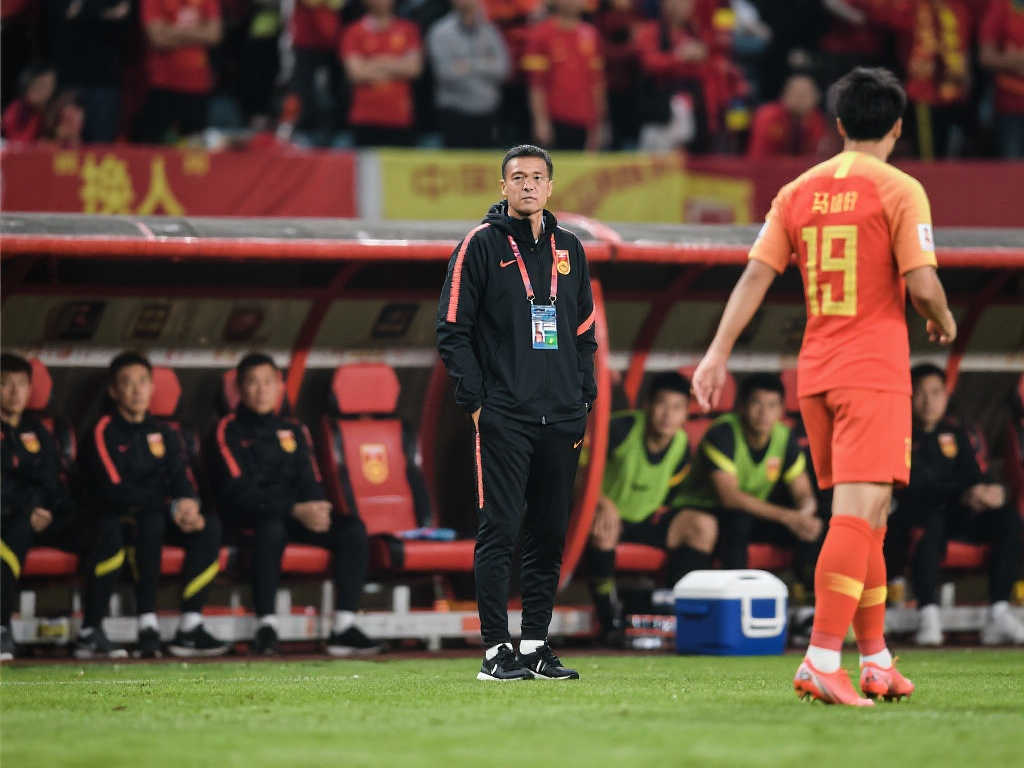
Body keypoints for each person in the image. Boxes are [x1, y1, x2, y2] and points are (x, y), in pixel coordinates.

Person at [691, 67, 957, 706]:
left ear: (838, 124)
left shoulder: (797, 191)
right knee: (855, 518)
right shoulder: (901, 188)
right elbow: (922, 284)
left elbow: (755, 277)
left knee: (870, 518)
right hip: (872, 373)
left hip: (816, 374)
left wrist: (717, 353)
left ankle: (876, 659)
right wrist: (944, 318)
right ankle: (820, 658)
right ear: (897, 127)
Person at [436, 144, 597, 681]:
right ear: (503, 186)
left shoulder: (570, 247)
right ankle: (493, 651)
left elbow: (584, 330)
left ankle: (534, 645)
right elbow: (452, 329)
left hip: (563, 416)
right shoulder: (479, 245)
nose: (528, 185)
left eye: (537, 177)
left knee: (548, 533)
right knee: (500, 529)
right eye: (518, 177)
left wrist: (584, 396)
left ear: (550, 186)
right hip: (504, 415)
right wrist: (476, 403)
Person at [212, 353, 377, 657]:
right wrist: (292, 509)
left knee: (352, 529)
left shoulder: (295, 430)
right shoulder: (228, 429)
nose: (261, 390)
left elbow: (310, 477)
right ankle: (266, 626)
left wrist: (317, 509)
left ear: (279, 387)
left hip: (297, 517)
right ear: (240, 389)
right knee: (271, 528)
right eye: (253, 383)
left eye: (268, 382)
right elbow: (239, 491)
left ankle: (344, 626)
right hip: (251, 519)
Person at [77, 352, 227, 659]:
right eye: (127, 383)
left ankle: (190, 626)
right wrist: (169, 506)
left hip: (161, 512)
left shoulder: (165, 432)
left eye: (143, 382)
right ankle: (147, 623)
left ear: (152, 387)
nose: (137, 390)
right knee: (150, 521)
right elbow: (114, 489)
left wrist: (188, 505)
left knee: (209, 527)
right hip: (121, 517)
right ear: (113, 391)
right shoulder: (103, 430)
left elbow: (180, 475)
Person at [888, 364, 1023, 646]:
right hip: (917, 516)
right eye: (921, 393)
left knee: (1008, 519)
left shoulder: (956, 433)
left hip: (960, 515)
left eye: (936, 392)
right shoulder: (899, 435)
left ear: (945, 396)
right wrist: (964, 493)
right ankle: (928, 612)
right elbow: (915, 486)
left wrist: (991, 491)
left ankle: (998, 611)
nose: (928, 401)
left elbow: (973, 474)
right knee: (931, 521)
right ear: (908, 397)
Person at [669, 373, 821, 582]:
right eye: (757, 403)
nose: (764, 413)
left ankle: (807, 590)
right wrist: (789, 517)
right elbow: (730, 498)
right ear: (741, 406)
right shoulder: (723, 433)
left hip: (757, 513)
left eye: (772, 405)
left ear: (781, 410)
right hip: (708, 510)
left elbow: (803, 491)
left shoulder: (784, 437)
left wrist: (805, 513)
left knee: (818, 522)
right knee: (738, 520)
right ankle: (737, 590)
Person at [587, 372, 692, 644]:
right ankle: (609, 620)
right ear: (647, 404)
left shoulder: (682, 444)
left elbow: (672, 490)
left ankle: (677, 610)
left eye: (677, 408)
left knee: (701, 527)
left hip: (645, 521)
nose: (668, 415)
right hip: (604, 515)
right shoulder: (620, 429)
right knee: (605, 531)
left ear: (686, 414)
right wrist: (601, 503)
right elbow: (577, 470)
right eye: (662, 404)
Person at [1, 354, 76, 661]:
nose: (15, 392)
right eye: (5, 384)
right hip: (8, 517)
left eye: (21, 384)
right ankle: (1, 627)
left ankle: (92, 630)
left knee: (103, 528)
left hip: (42, 516)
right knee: (14, 530)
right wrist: (27, 509)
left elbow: (53, 480)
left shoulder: (40, 431)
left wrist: (49, 510)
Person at [522, 0, 606, 150]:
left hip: (584, 120)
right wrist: (540, 121)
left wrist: (599, 124)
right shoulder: (540, 34)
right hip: (554, 120)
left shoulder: (591, 34)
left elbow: (597, 84)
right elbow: (536, 84)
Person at [136, 0, 222, 142]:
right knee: (155, 145)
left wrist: (170, 30)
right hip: (161, 82)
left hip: (198, 84)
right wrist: (199, 32)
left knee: (194, 147)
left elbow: (214, 35)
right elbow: (157, 39)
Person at [427, 0, 509, 149]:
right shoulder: (440, 31)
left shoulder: (490, 31)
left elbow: (503, 69)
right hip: (454, 113)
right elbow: (445, 73)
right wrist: (486, 63)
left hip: (488, 113)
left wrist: (468, 65)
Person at [339, 0, 422, 147]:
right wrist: (396, 64)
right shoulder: (353, 31)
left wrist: (373, 63)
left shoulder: (408, 30)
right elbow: (356, 73)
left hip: (400, 117)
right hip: (365, 118)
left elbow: (413, 69)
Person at [979, 0, 1024, 159]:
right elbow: (986, 57)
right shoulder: (1002, 5)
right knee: (1012, 168)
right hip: (1011, 108)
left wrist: (1013, 58)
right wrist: (1015, 61)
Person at [747, 73, 828, 158]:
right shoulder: (768, 116)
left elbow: (818, 156)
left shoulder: (817, 119)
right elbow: (759, 157)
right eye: (796, 93)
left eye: (806, 94)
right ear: (784, 95)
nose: (801, 99)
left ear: (817, 97)